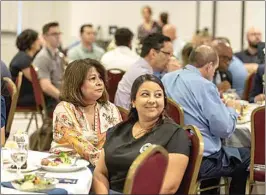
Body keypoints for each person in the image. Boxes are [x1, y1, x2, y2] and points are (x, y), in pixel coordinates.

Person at [162, 45, 250, 194]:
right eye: (214, 70)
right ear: (209, 66)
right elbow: (224, 129)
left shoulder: (167, 79)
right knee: (246, 156)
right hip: (201, 159)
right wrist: (232, 111)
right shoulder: (205, 86)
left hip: (172, 151)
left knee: (221, 150)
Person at [93, 74, 190, 194]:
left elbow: (169, 187)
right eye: (145, 94)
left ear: (164, 102)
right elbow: (100, 173)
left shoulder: (175, 134)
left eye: (158, 95)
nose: (152, 100)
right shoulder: (117, 131)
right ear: (133, 101)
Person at [51, 59, 122, 166]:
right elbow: (81, 145)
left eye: (100, 78)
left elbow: (119, 140)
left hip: (104, 165)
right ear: (77, 84)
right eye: (93, 78)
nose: (99, 83)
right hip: (68, 165)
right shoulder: (64, 109)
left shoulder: (109, 108)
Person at [115, 33, 173, 110]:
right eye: (168, 54)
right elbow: (163, 101)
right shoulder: (142, 74)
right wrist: (172, 75)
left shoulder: (142, 66)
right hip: (132, 118)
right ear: (153, 54)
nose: (170, 58)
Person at [33, 22, 64, 114]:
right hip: (52, 100)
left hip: (58, 97)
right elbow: (46, 86)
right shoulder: (43, 57)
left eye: (59, 33)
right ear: (45, 37)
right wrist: (65, 98)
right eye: (54, 34)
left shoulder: (58, 55)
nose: (58, 36)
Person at [9, 29, 42, 107]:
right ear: (32, 43)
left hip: (23, 95)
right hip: (22, 98)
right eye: (38, 39)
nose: (40, 42)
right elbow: (35, 80)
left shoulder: (24, 57)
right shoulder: (23, 59)